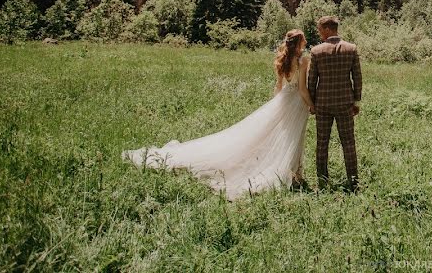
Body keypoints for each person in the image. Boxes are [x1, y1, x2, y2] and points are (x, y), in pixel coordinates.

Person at [121, 29, 314, 200]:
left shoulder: (283, 60)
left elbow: (278, 88)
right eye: (303, 40)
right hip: (296, 102)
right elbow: (303, 90)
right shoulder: (303, 60)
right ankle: (294, 175)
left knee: (279, 137)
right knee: (293, 137)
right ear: (299, 43)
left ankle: (293, 173)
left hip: (282, 101)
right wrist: (311, 106)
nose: (305, 43)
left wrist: (276, 106)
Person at [308, 15, 362, 192]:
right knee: (348, 143)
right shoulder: (351, 49)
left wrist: (312, 103)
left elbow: (311, 80)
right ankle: (353, 182)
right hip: (345, 103)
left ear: (328, 29)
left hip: (323, 104)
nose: (319, 32)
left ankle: (323, 182)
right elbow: (357, 77)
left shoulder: (316, 51)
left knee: (322, 143)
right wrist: (356, 100)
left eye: (320, 29)